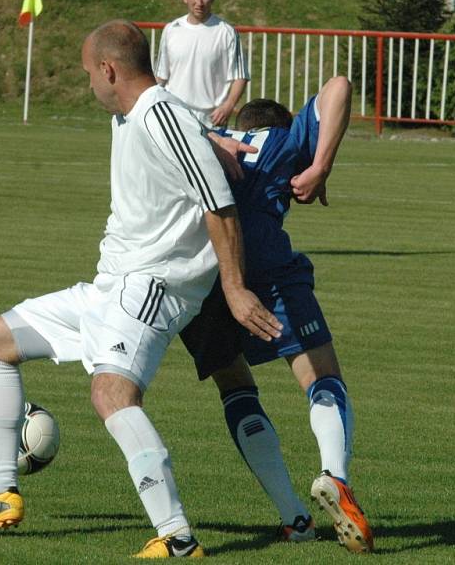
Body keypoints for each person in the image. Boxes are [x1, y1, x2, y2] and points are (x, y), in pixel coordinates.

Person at [0, 19, 282, 559]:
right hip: (106, 289)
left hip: (150, 286)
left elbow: (219, 204)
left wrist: (234, 287)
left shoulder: (160, 117)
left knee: (112, 395)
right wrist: (217, 139)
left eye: (87, 73)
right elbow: (193, 136)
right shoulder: (142, 112)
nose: (87, 84)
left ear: (109, 69)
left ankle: (177, 537)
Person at [180, 76, 375, 553]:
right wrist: (321, 166)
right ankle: (336, 477)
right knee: (321, 376)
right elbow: (339, 88)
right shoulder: (283, 138)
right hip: (262, 266)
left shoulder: (202, 134)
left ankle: (294, 518)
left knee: (236, 385)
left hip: (197, 272)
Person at [155, 0, 248, 128]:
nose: (199, 2)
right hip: (175, 114)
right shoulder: (171, 29)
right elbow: (161, 76)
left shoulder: (227, 32)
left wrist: (228, 106)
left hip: (211, 119)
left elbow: (240, 76)